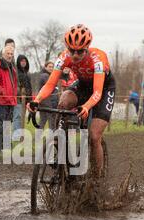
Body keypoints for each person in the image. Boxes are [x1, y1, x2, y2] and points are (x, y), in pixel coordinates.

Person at [28, 24, 116, 176]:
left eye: (80, 51)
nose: (75, 55)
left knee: (94, 136)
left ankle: (96, 178)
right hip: (82, 84)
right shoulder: (63, 57)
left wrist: (87, 106)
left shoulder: (98, 58)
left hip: (103, 88)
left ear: (87, 48)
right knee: (64, 102)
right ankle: (60, 142)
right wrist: (37, 100)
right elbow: (50, 84)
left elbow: (97, 92)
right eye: (71, 50)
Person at [0, 46, 17, 151]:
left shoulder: (12, 68)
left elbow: (14, 84)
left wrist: (12, 97)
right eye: (8, 54)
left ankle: (5, 146)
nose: (10, 56)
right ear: (3, 54)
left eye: (11, 54)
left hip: (10, 101)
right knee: (0, 124)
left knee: (8, 125)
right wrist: (5, 94)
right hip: (1, 101)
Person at [13, 54, 32, 140]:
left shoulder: (26, 73)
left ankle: (21, 135)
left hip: (25, 99)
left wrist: (29, 98)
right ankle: (16, 136)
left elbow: (29, 87)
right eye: (22, 61)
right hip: (18, 98)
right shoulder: (16, 72)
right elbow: (16, 86)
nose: (23, 63)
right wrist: (19, 94)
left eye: (25, 61)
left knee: (22, 117)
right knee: (17, 117)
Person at [38, 61, 59, 130]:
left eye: (52, 67)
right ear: (45, 67)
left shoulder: (50, 76)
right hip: (47, 102)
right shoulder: (45, 75)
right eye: (49, 67)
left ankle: (38, 137)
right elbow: (50, 87)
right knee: (51, 121)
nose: (51, 68)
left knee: (42, 121)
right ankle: (51, 138)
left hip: (44, 101)